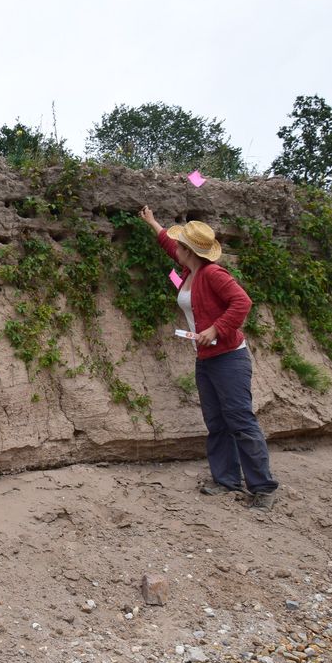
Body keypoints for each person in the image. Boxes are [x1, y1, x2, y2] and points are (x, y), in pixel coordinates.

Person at [138, 206, 280, 510]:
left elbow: (242, 302)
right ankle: (226, 480)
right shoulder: (190, 269)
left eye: (180, 244)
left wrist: (216, 328)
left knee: (240, 421)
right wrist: (152, 223)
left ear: (189, 250)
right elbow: (167, 243)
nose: (175, 247)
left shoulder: (213, 274)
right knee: (216, 422)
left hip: (229, 358)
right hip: (206, 360)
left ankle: (263, 488)